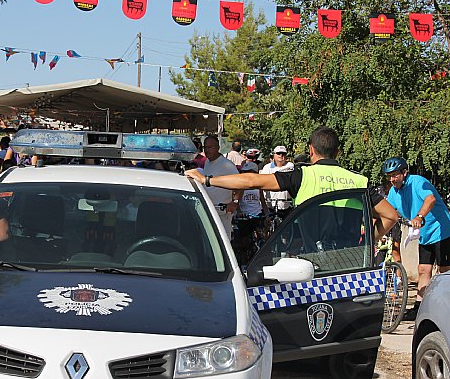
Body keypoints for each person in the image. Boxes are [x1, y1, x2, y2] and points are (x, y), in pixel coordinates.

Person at [185, 126, 398, 242]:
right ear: (338, 152)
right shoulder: (359, 181)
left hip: (312, 264)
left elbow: (251, 180)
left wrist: (206, 180)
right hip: (350, 263)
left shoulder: (301, 175)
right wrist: (369, 242)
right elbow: (391, 216)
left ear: (311, 150)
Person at [382, 156, 450, 321]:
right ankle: (419, 308)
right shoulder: (393, 192)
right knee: (423, 270)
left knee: (444, 271)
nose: (392, 179)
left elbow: (430, 199)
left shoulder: (417, 182)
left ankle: (446, 306)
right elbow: (389, 211)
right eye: (389, 176)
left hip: (442, 231)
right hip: (424, 236)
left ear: (404, 173)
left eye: (395, 175)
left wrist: (419, 216)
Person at [200, 135, 240, 237]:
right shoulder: (207, 163)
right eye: (205, 147)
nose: (207, 150)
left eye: (210, 147)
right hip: (209, 211)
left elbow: (240, 184)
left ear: (218, 148)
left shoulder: (227, 165)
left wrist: (235, 202)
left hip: (222, 213)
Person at [233, 161, 268, 265]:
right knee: (244, 242)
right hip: (245, 217)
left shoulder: (258, 186)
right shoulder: (242, 186)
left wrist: (266, 214)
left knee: (263, 239)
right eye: (245, 172)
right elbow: (237, 202)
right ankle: (244, 263)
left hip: (257, 215)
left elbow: (262, 200)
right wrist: (239, 212)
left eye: (249, 172)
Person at [260, 145, 295, 219]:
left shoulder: (291, 166)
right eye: (278, 153)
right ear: (274, 155)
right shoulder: (267, 167)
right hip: (270, 205)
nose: (281, 155)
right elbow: (261, 185)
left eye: (283, 153)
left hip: (286, 205)